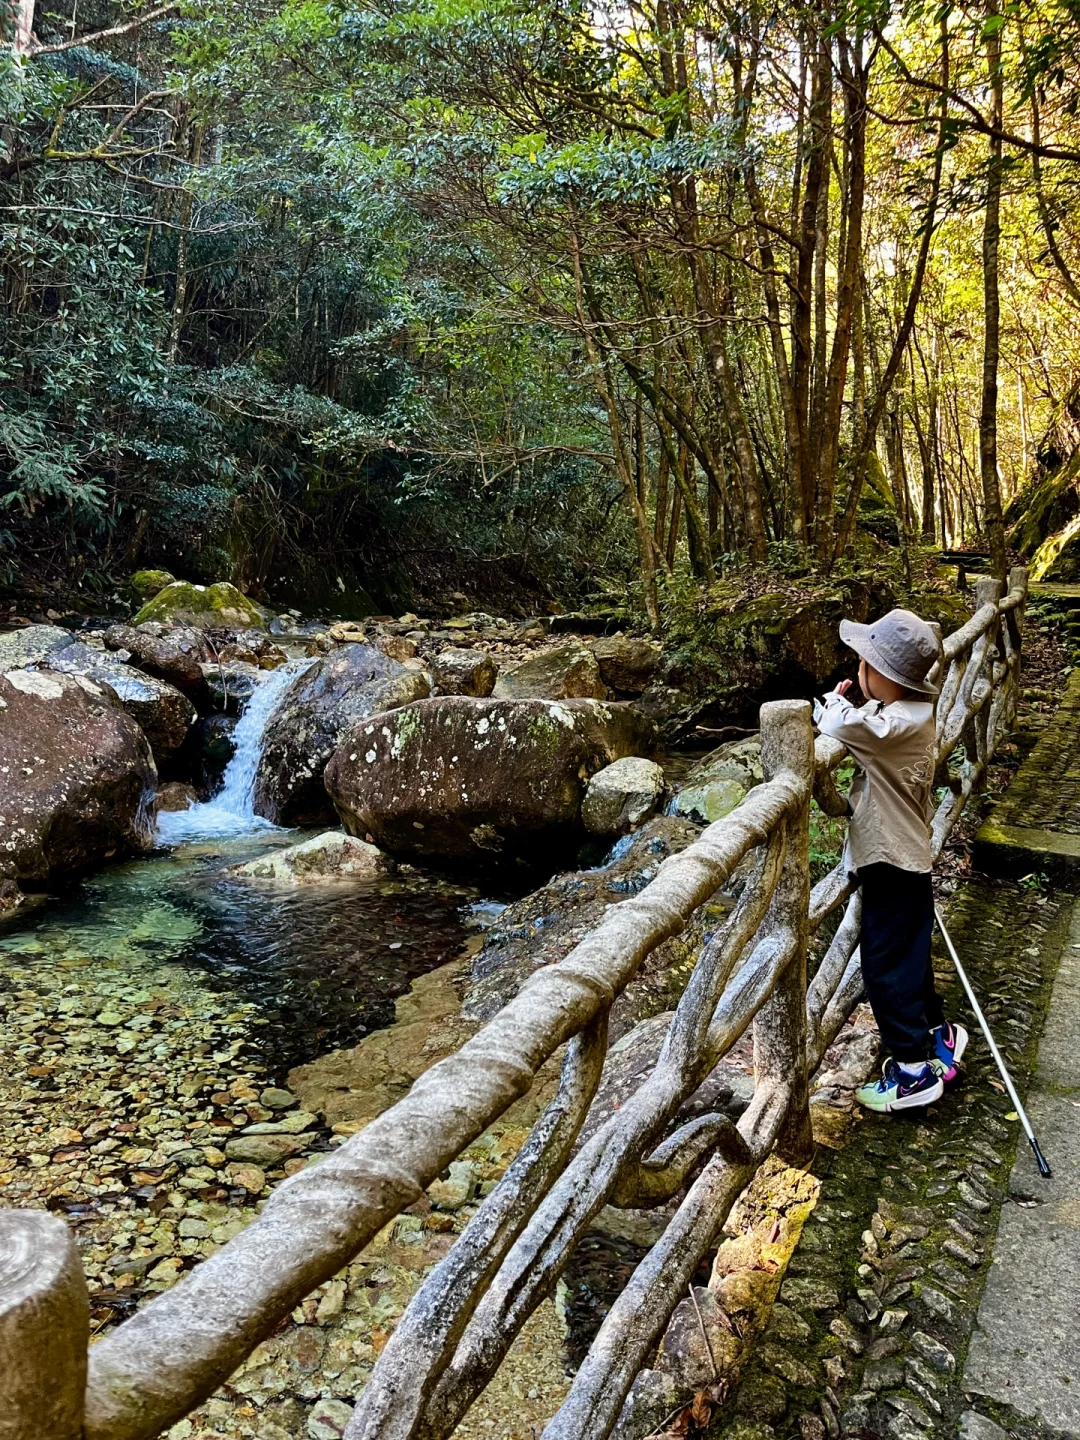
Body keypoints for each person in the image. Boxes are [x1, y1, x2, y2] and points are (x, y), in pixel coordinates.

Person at [815, 608, 968, 1113]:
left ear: (885, 676)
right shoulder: (913, 713)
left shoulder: (891, 727)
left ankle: (912, 1072)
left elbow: (839, 725)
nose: (858, 668)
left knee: (884, 968)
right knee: (910, 960)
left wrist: (834, 704)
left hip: (890, 861)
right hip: (909, 856)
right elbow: (868, 725)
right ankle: (938, 1035)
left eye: (865, 662)